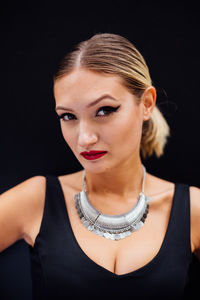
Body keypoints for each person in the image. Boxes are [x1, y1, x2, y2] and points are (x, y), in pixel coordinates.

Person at [0, 33, 199, 300]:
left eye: (104, 110)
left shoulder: (193, 210)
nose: (84, 138)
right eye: (68, 116)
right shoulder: (37, 199)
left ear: (147, 104)